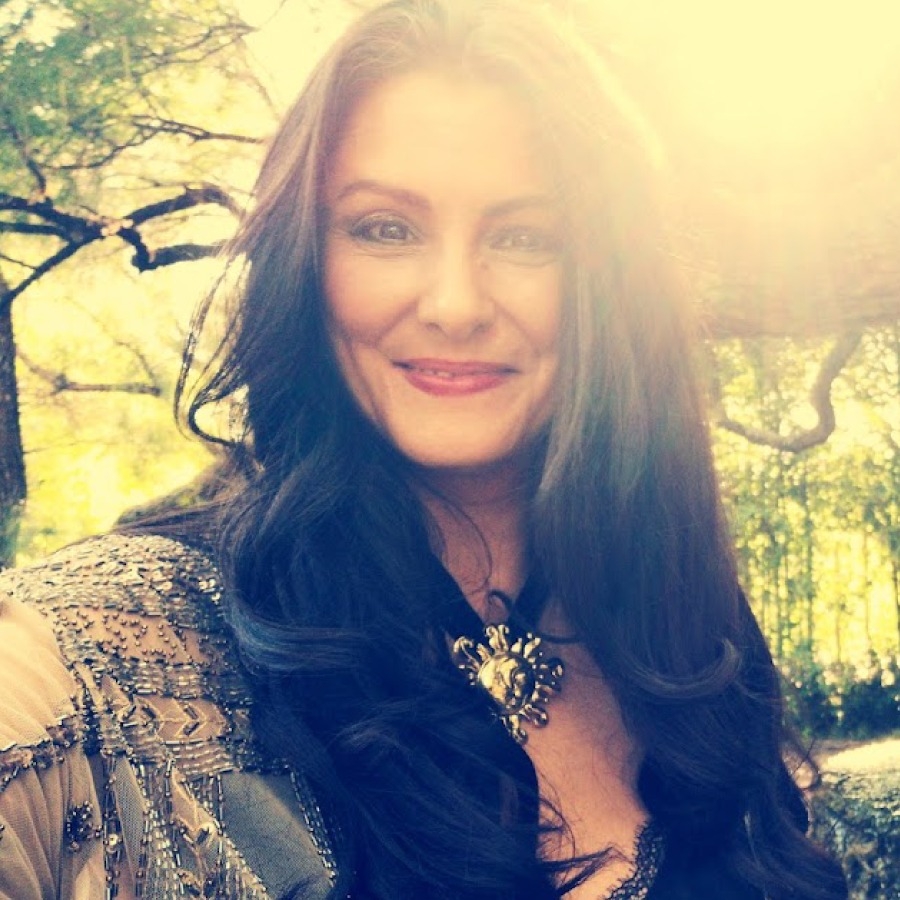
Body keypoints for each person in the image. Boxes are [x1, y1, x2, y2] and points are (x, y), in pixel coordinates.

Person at [0, 1, 848, 898]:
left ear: (612, 284)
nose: (455, 304)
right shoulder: (92, 652)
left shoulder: (684, 631)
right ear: (304, 258)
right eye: (385, 228)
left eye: (526, 237)